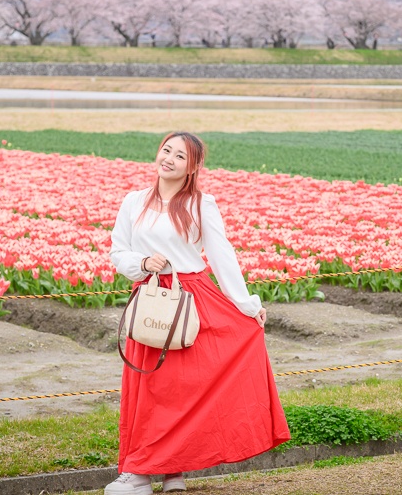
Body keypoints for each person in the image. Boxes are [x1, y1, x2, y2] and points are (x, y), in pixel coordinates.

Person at [107, 132, 290, 495]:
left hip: (192, 298)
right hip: (152, 300)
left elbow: (222, 257)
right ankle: (139, 472)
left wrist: (247, 306)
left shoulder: (201, 204)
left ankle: (173, 471)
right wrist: (142, 262)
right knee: (151, 389)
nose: (170, 159)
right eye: (166, 150)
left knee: (181, 390)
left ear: (193, 167)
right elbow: (118, 252)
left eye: (181, 156)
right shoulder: (134, 201)